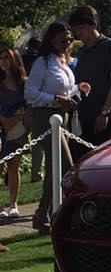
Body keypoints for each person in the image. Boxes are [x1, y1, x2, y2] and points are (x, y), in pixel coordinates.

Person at [25, 23, 89, 233]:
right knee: (66, 165)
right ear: (51, 40)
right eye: (63, 39)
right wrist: (55, 99)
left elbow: (64, 90)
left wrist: (77, 89)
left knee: (55, 168)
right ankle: (58, 213)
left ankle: (45, 214)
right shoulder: (42, 63)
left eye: (70, 39)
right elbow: (30, 93)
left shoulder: (64, 62)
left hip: (63, 117)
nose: (68, 43)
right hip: (44, 118)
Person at [68, 5, 111, 148]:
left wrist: (104, 113)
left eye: (81, 28)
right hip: (83, 116)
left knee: (99, 157)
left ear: (93, 25)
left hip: (103, 117)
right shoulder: (82, 51)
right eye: (76, 29)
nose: (78, 33)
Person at [0, 46, 29, 219]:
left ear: (14, 60)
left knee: (14, 165)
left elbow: (29, 104)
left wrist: (18, 119)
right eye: (1, 58)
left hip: (17, 128)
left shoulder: (24, 83)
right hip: (1, 127)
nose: (3, 61)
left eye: (7, 58)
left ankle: (13, 204)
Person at [21, 37, 43, 182]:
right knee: (37, 142)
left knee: (16, 140)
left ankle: (11, 171)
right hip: (35, 105)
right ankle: (36, 173)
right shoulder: (41, 61)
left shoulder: (22, 59)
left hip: (22, 104)